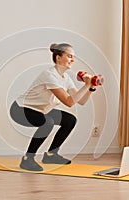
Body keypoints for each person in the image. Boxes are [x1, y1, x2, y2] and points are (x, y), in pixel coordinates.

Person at [9, 43, 96, 171]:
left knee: (70, 120)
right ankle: (28, 158)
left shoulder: (65, 78)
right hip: (20, 110)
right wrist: (86, 85)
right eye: (69, 56)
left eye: (73, 57)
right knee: (47, 122)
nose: (73, 60)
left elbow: (81, 101)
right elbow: (69, 102)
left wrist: (91, 87)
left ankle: (51, 155)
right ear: (58, 58)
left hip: (41, 110)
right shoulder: (49, 75)